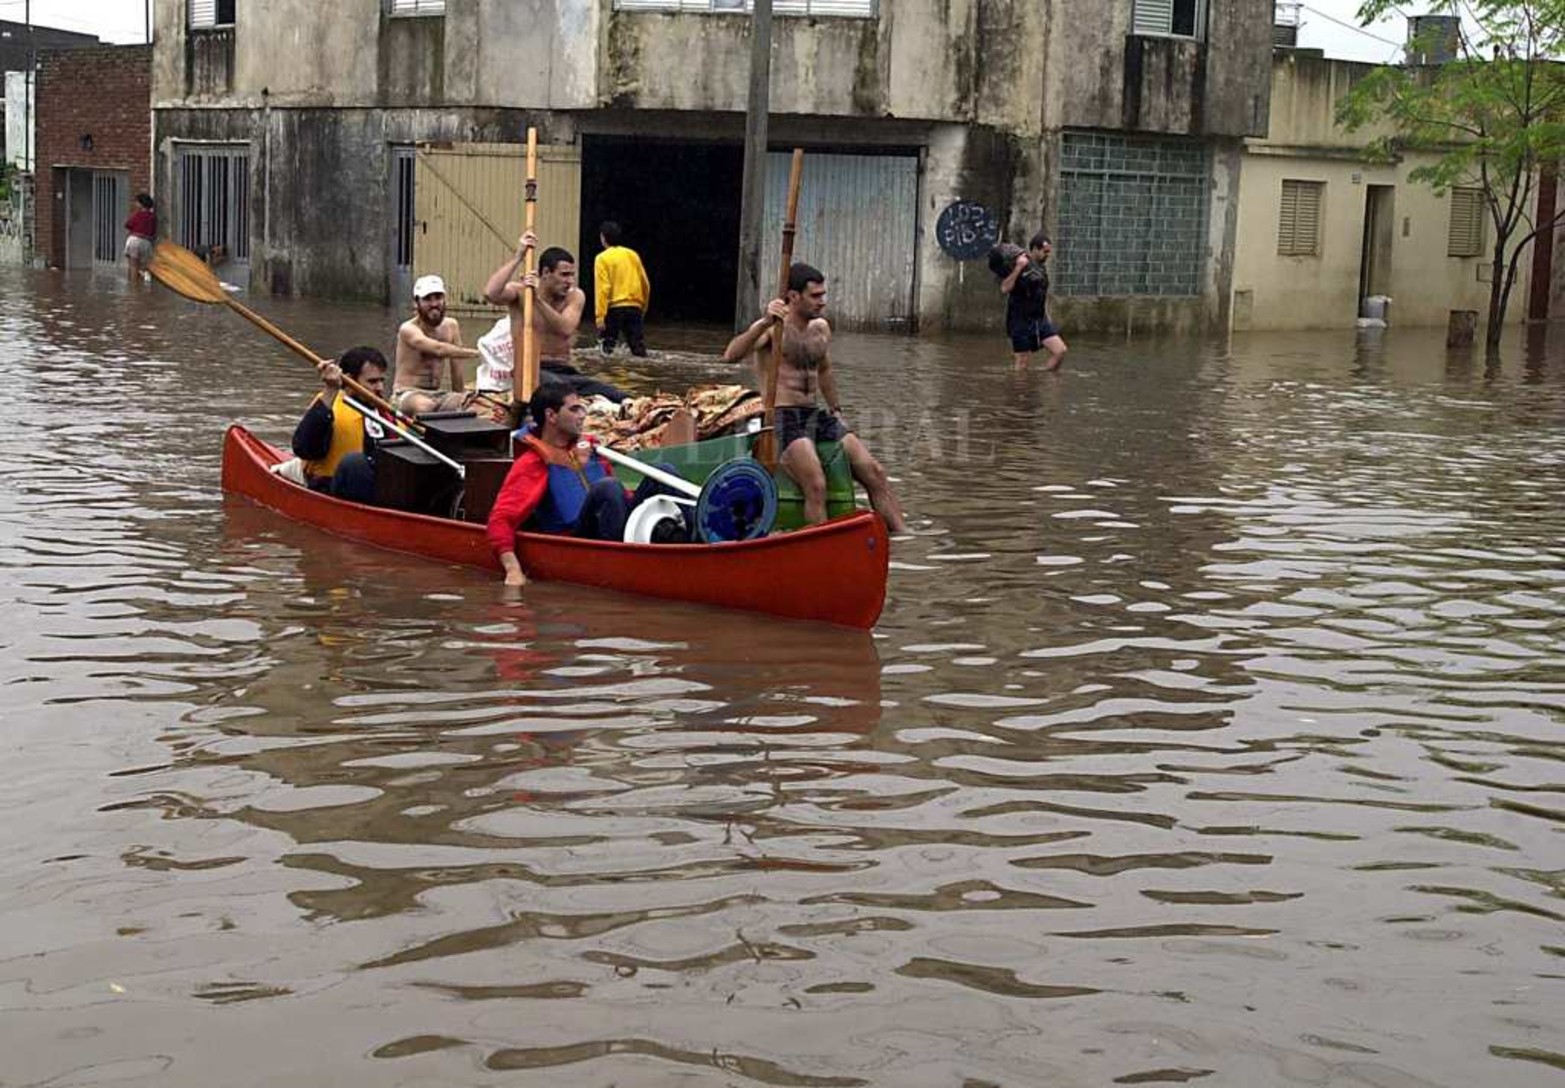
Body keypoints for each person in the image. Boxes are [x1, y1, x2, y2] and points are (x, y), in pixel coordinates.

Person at [722, 262, 907, 533]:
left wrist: (836, 409)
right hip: (783, 418)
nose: (823, 302)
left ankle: (902, 538)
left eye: (823, 295)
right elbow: (730, 356)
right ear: (794, 297)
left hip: (815, 415)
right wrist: (763, 320)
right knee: (816, 485)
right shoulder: (774, 328)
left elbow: (825, 370)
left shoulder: (821, 329)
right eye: (815, 296)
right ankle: (818, 545)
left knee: (875, 472)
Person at [486, 384, 685, 586]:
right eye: (574, 409)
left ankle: (698, 538)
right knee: (608, 487)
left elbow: (620, 498)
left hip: (613, 524)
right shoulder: (531, 464)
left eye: (582, 408)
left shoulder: (589, 449)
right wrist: (513, 570)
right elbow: (500, 520)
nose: (583, 415)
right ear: (551, 416)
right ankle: (624, 564)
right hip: (578, 537)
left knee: (663, 471)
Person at [484, 234, 627, 403]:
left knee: (617, 395)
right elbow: (490, 293)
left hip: (565, 370)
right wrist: (519, 256)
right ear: (546, 273)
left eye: (572, 275)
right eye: (564, 275)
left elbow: (565, 328)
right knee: (560, 391)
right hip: (533, 369)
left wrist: (537, 300)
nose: (570, 281)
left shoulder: (575, 296)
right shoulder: (522, 293)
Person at [288, 346, 391, 503]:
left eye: (382, 381)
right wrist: (330, 389)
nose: (380, 388)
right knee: (355, 463)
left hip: (382, 489)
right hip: (333, 487)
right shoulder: (329, 406)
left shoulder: (385, 412)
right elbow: (304, 448)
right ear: (349, 380)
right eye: (372, 382)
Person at [393, 274, 480, 415]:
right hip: (407, 394)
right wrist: (478, 353)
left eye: (438, 297)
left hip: (437, 394)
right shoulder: (408, 329)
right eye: (427, 299)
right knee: (425, 406)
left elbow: (457, 369)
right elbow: (438, 349)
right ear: (417, 302)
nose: (434, 304)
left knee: (475, 407)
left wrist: (461, 399)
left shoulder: (451, 325)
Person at [993, 231, 1067, 371]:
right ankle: (1021, 390)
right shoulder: (1020, 264)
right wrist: (1019, 268)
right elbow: (1004, 288)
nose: (1048, 255)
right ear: (1034, 249)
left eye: (1049, 252)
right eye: (1045, 252)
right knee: (1022, 364)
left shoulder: (1041, 268)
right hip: (1020, 321)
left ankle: (1041, 379)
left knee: (1060, 351)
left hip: (1039, 320)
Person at [594, 220, 651, 357]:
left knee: (606, 350)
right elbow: (645, 283)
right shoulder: (632, 255)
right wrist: (643, 307)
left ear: (603, 237)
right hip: (635, 307)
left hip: (614, 308)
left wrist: (600, 316)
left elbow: (603, 288)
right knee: (638, 349)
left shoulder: (602, 258)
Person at [124, 194, 155, 282]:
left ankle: (133, 286)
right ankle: (145, 284)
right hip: (147, 242)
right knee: (145, 267)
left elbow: (128, 224)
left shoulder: (138, 215)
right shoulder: (152, 216)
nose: (135, 204)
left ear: (141, 204)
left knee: (133, 265)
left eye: (137, 202)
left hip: (135, 240)